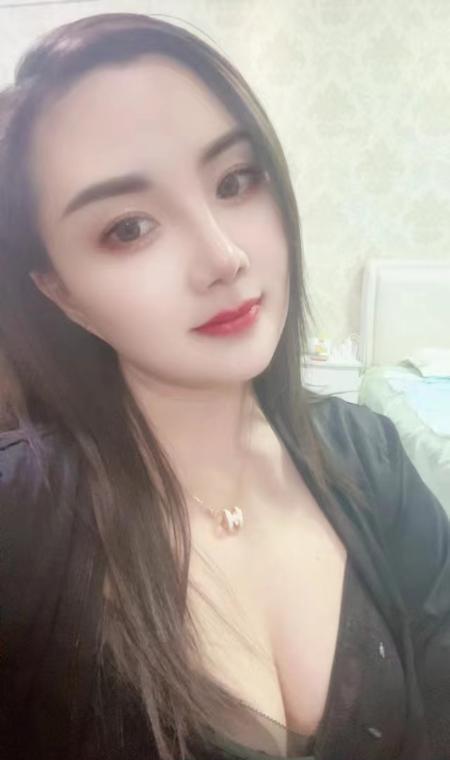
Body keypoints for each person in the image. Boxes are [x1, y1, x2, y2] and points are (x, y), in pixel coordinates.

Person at [0, 13, 448, 760]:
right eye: (129, 228)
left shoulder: (373, 459)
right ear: (62, 294)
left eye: (236, 181)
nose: (223, 256)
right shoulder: (18, 519)